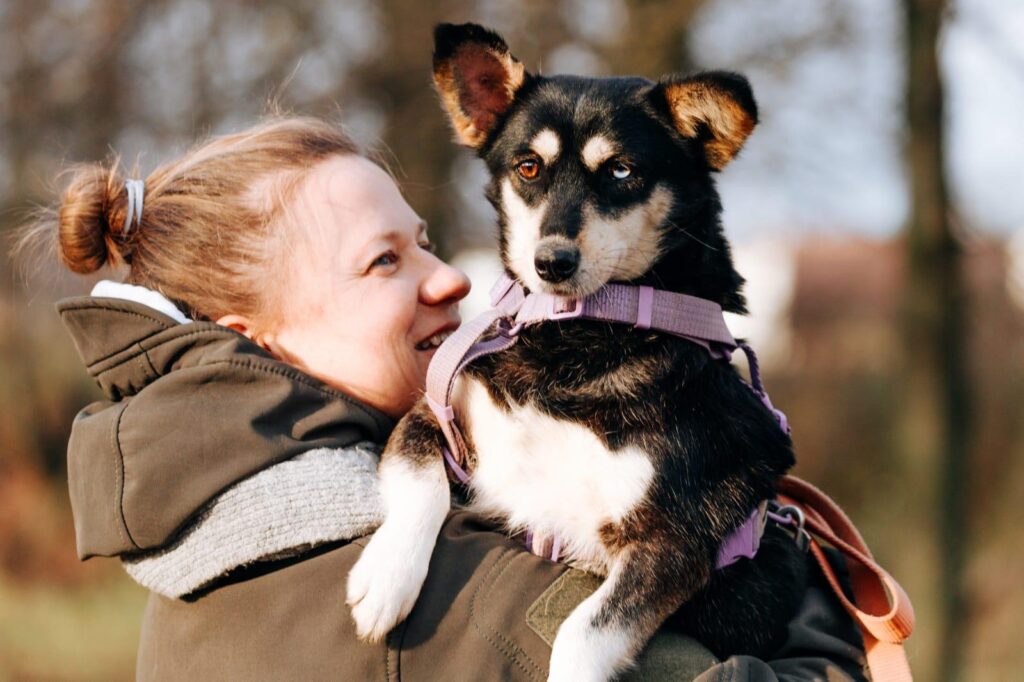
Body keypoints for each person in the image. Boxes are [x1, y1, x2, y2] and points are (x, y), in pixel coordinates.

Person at [38, 116, 868, 680]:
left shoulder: (192, 549)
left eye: (425, 242)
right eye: (384, 262)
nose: (451, 279)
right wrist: (823, 615)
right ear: (255, 335)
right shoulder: (466, 594)